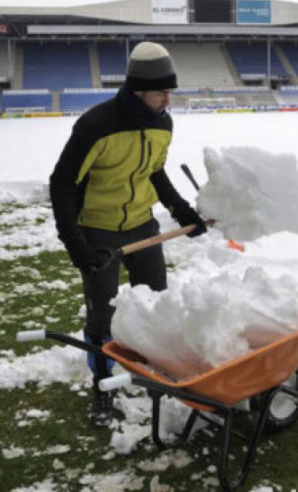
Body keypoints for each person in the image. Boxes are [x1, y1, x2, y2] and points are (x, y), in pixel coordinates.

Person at [49, 41, 207, 427]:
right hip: (99, 232)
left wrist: (181, 209)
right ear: (139, 90)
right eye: (161, 92)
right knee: (102, 318)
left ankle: (149, 373)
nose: (168, 100)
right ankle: (103, 386)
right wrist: (77, 246)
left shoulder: (162, 123)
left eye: (170, 92)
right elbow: (63, 183)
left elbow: (155, 172)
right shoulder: (96, 126)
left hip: (143, 227)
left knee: (154, 304)